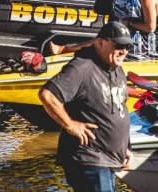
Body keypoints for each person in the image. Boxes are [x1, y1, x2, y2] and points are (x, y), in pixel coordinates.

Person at [39, 22, 133, 192]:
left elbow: (118, 108)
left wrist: (125, 146)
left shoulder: (114, 66)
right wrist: (70, 125)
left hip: (108, 160)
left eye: (127, 46)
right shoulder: (82, 67)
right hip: (89, 159)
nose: (124, 51)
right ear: (100, 43)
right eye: (118, 45)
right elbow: (48, 94)